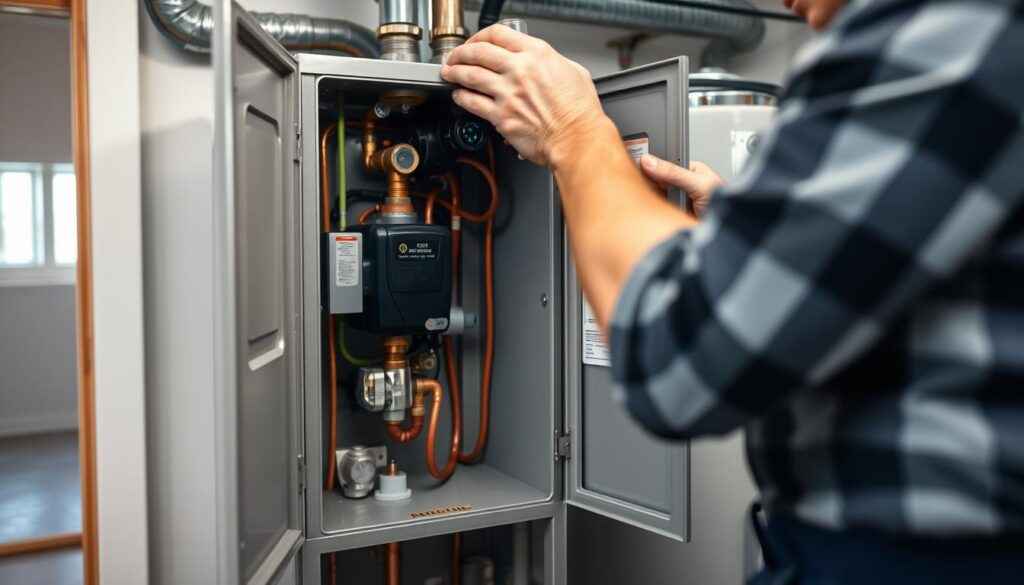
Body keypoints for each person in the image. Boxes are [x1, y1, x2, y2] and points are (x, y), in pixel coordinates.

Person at [441, 0, 1024, 583]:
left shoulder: (951, 32)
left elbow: (678, 359)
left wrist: (574, 134)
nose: (783, 4)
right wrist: (746, 249)